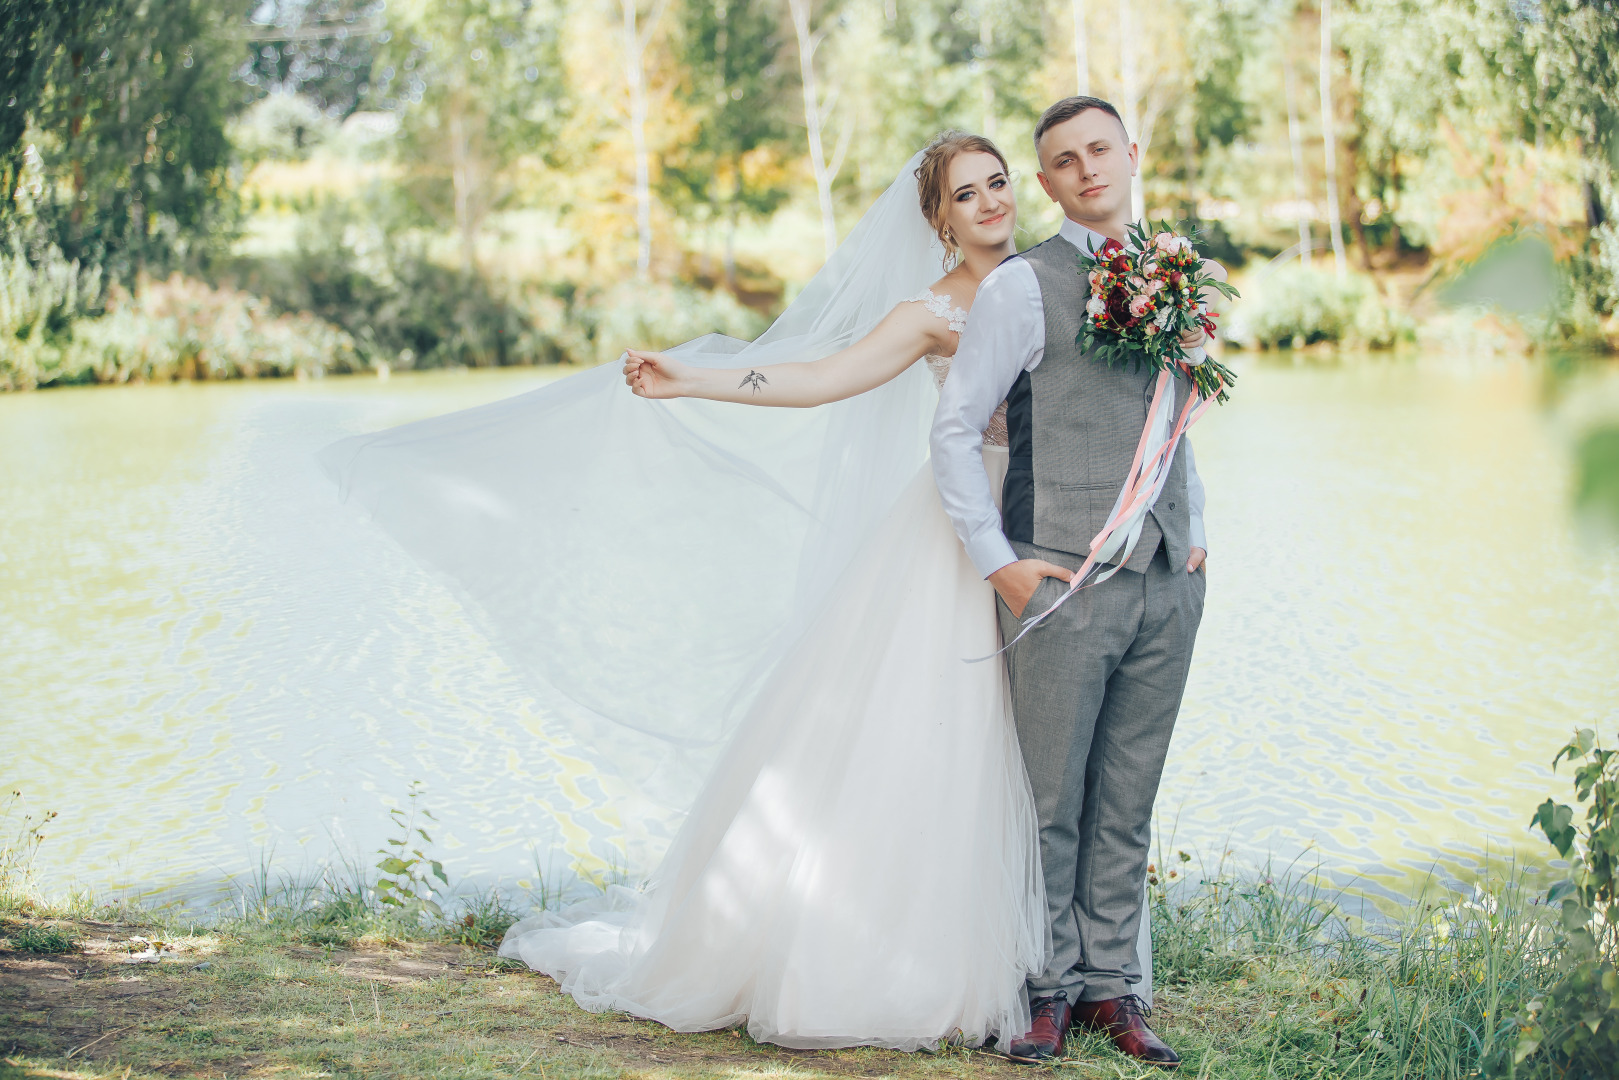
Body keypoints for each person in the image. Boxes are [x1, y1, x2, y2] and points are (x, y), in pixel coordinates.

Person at [932, 96, 1215, 1067]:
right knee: (1049, 800)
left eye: (1099, 148)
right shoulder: (1019, 288)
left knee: (1126, 799)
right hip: (1061, 583)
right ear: (1046, 182)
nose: (1085, 168)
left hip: (1166, 585)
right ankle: (1044, 988)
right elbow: (952, 430)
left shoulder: (1179, 273)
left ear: (1129, 155)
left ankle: (1111, 992)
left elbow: (1178, 412)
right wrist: (999, 565)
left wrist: (1197, 533)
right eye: (1062, 159)